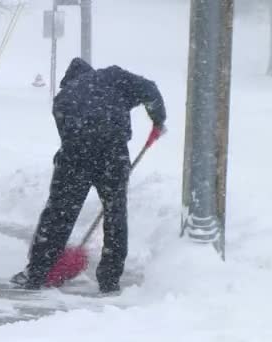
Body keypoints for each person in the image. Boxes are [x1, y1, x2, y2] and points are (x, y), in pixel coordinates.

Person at [11, 58, 166, 293]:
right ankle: (110, 279)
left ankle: (38, 272)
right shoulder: (113, 78)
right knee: (115, 213)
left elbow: (68, 138)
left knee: (59, 213)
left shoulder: (63, 99)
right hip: (112, 153)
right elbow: (150, 90)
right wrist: (158, 120)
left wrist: (65, 163)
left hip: (76, 156)